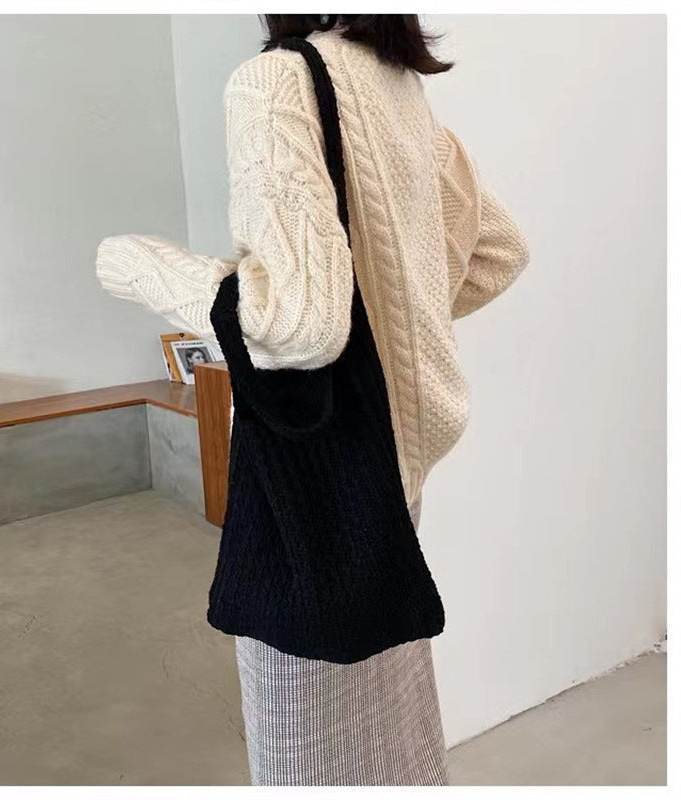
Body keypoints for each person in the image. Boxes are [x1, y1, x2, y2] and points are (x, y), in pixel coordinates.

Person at [96, 13, 529, 786]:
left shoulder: (275, 83)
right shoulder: (399, 87)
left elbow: (296, 326)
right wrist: (401, 325)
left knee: (308, 753)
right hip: (395, 471)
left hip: (315, 477)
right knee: (392, 730)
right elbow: (498, 253)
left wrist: (139, 267)